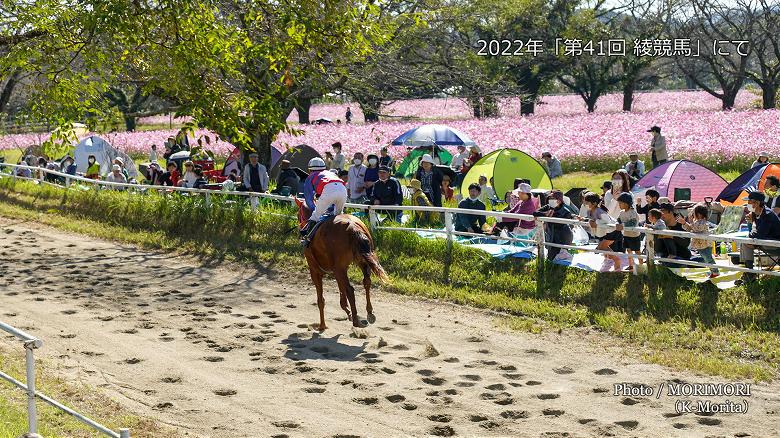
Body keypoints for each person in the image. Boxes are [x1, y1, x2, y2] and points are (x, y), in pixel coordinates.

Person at [301, 157, 348, 244]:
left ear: (309, 170)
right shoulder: (329, 173)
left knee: (315, 217)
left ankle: (307, 239)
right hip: (343, 190)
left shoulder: (310, 177)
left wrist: (315, 210)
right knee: (338, 216)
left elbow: (309, 199)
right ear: (324, 167)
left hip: (329, 191)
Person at [739, 191, 780, 284]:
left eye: (749, 202)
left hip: (776, 244)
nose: (747, 204)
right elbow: (756, 232)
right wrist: (751, 224)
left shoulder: (767, 215)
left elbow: (759, 235)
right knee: (745, 243)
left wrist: (750, 234)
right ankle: (750, 272)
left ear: (757, 203)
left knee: (747, 242)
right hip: (766, 242)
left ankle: (750, 273)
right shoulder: (755, 213)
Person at [581, 192, 622, 272]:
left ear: (594, 203)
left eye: (587, 202)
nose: (585, 203)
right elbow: (591, 219)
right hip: (603, 232)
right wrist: (584, 219)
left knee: (601, 247)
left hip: (612, 231)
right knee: (604, 248)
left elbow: (608, 221)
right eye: (584, 201)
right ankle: (609, 260)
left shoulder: (600, 211)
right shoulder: (589, 211)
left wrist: (596, 223)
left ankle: (617, 260)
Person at [533, 190, 574, 260]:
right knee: (550, 257)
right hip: (551, 235)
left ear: (559, 200)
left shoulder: (566, 211)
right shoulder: (548, 207)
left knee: (560, 259)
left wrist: (550, 217)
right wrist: (545, 214)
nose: (551, 200)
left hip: (563, 236)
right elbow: (535, 212)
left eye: (553, 199)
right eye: (550, 198)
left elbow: (559, 224)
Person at [681, 204, 719, 278]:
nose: (692, 214)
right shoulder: (697, 222)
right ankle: (712, 270)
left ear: (698, 214)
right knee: (706, 258)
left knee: (708, 259)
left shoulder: (703, 222)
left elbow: (696, 229)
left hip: (705, 245)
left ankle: (715, 272)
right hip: (700, 245)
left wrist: (690, 221)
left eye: (693, 213)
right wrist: (684, 223)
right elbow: (691, 229)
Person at [614, 192, 642, 273]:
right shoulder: (621, 213)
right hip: (626, 234)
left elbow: (632, 223)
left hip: (634, 235)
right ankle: (631, 265)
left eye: (620, 203)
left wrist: (622, 225)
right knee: (628, 250)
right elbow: (618, 220)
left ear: (626, 203)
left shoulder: (632, 213)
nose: (619, 205)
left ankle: (641, 265)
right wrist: (617, 224)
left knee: (637, 251)